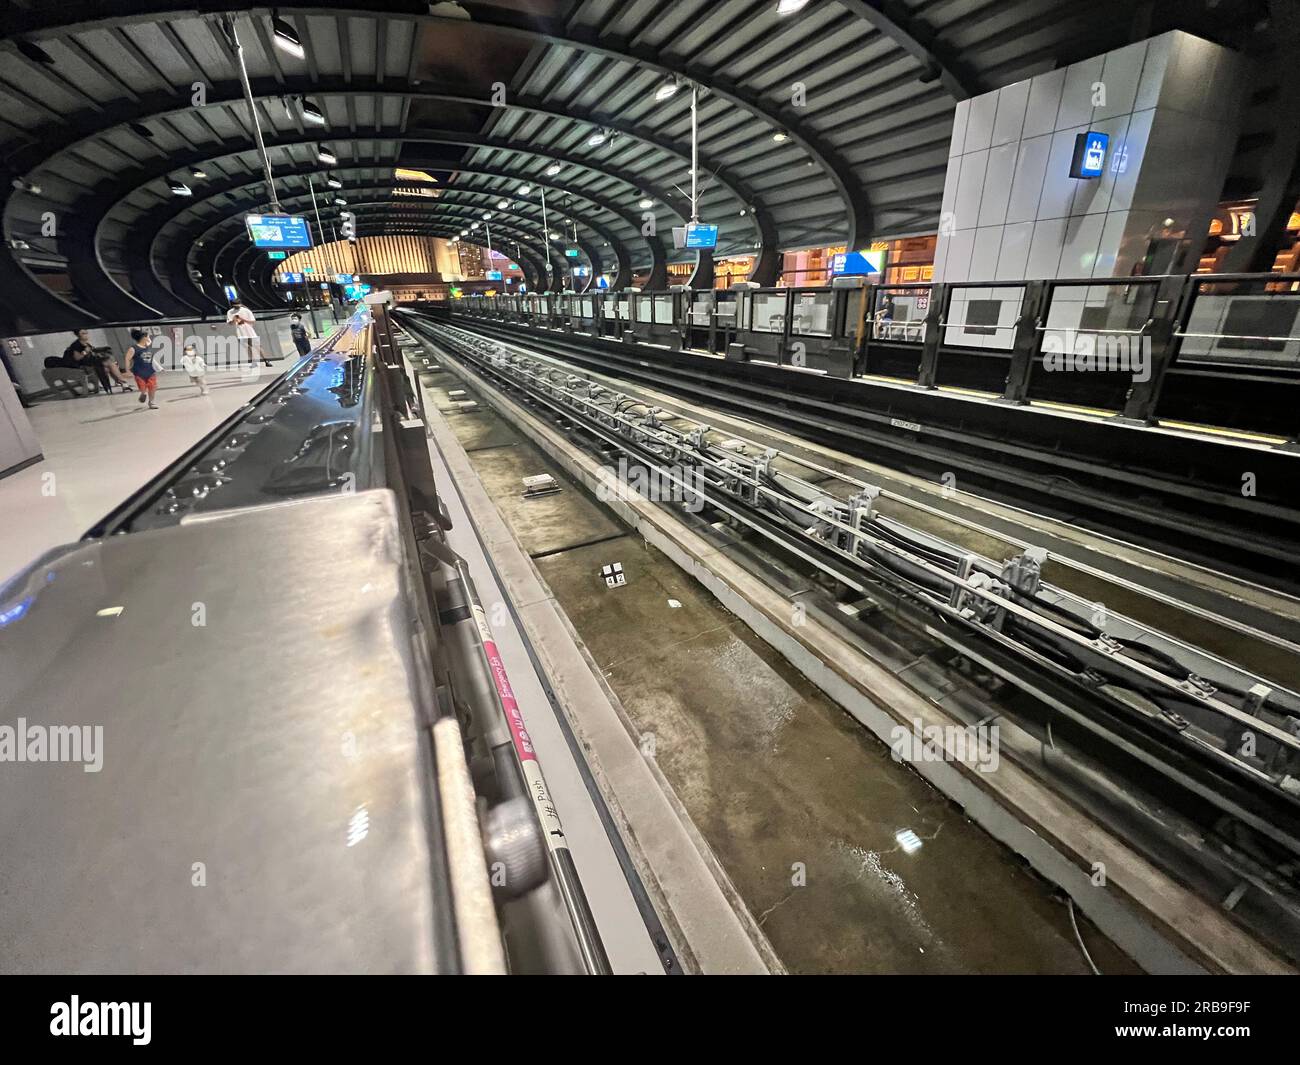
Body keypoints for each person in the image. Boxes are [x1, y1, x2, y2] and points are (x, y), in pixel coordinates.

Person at [62, 329, 133, 393]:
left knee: (108, 364)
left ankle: (121, 383)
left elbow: (91, 352)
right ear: (78, 335)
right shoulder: (76, 344)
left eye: (86, 333)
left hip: (91, 363)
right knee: (109, 362)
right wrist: (85, 352)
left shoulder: (86, 343)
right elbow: (77, 358)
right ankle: (123, 383)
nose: (86, 335)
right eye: (83, 333)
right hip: (83, 366)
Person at [123, 328, 161, 409]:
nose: (148, 338)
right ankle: (143, 393)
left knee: (152, 387)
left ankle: (151, 402)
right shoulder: (133, 348)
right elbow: (127, 358)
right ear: (143, 338)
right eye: (147, 337)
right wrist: (127, 370)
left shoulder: (147, 346)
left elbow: (150, 358)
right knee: (142, 387)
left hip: (150, 371)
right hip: (139, 373)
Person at [227, 301, 272, 368]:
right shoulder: (230, 312)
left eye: (238, 304)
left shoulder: (246, 310)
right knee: (247, 347)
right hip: (240, 333)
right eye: (235, 305)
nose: (237, 306)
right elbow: (230, 323)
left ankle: (266, 361)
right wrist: (234, 320)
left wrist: (242, 319)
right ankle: (253, 362)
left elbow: (253, 321)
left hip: (249, 332)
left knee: (258, 346)